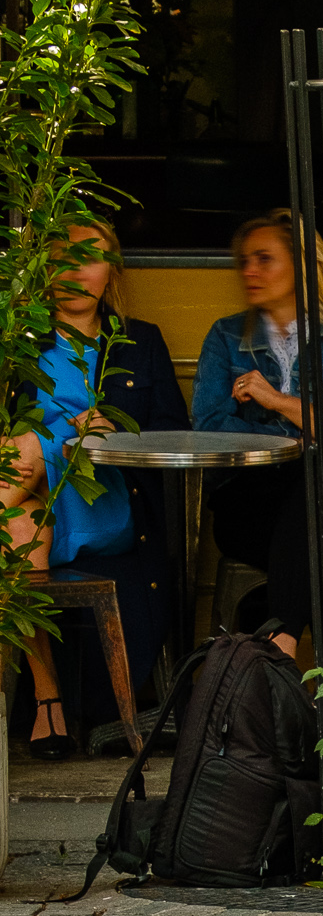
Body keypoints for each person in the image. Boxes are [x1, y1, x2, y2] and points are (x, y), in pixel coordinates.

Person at [0, 222, 188, 757]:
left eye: (92, 256)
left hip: (104, 502)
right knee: (15, 526)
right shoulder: (16, 341)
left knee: (30, 451)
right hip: (32, 507)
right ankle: (47, 696)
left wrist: (117, 432)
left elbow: (175, 429)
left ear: (112, 270)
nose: (76, 269)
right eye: (63, 256)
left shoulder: (140, 339)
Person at [191, 210, 323, 656]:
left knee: (321, 489)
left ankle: (276, 641)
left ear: (304, 265)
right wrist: (307, 425)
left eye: (264, 259)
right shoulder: (226, 337)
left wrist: (273, 402)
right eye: (244, 261)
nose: (250, 271)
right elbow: (210, 427)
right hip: (247, 502)